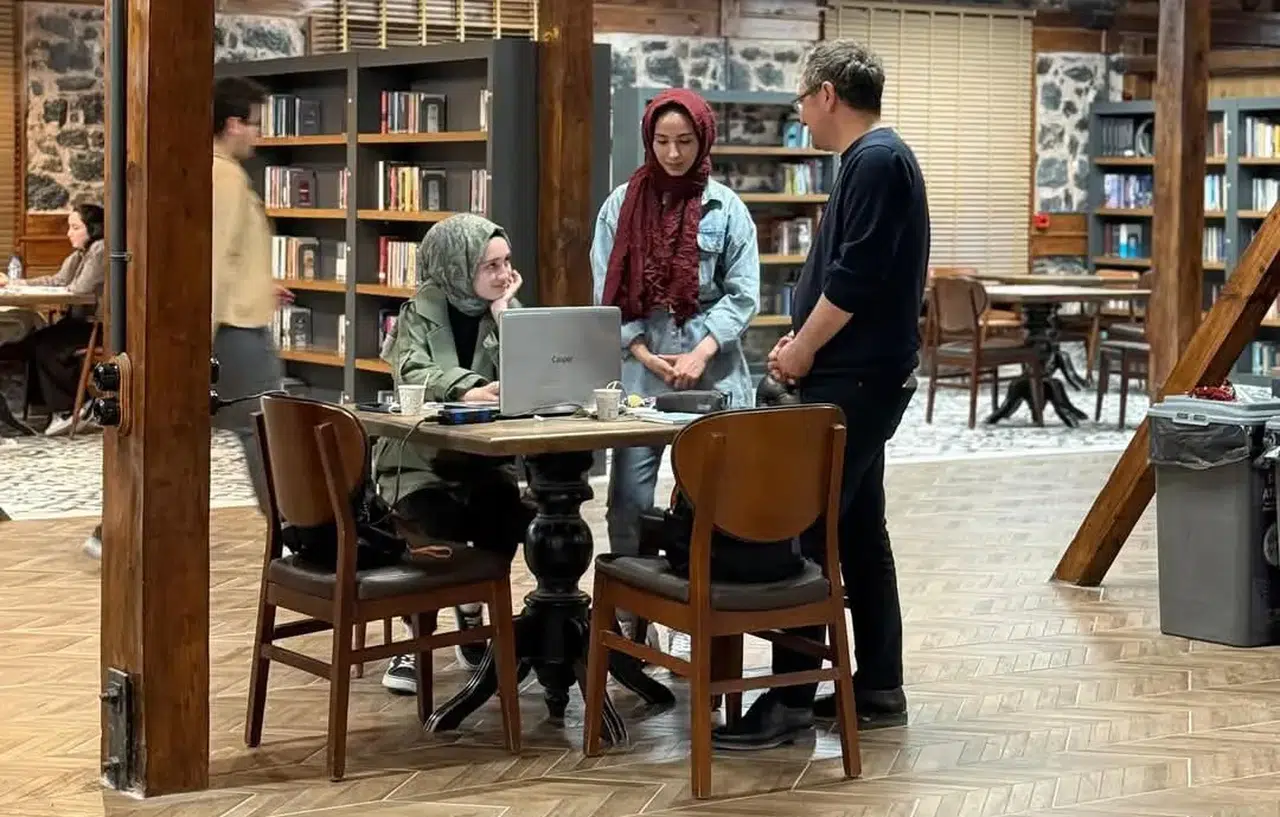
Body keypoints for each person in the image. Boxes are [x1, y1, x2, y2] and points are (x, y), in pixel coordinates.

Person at [711, 40, 929, 751]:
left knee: (803, 532)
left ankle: (789, 701)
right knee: (859, 532)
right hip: (854, 376)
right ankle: (880, 689)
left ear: (828, 94)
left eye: (803, 100)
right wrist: (801, 341)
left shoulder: (876, 160)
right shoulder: (873, 160)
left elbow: (856, 277)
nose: (801, 114)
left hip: (852, 381)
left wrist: (803, 347)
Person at [590, 87, 760, 638]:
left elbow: (743, 294)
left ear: (703, 140)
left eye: (685, 141)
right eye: (662, 141)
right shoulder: (619, 206)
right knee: (628, 499)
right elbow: (607, 291)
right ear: (648, 140)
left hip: (713, 371)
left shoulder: (727, 208)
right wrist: (643, 352)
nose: (672, 153)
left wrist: (701, 351)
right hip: (641, 371)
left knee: (712, 501)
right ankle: (633, 618)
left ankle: (699, 618)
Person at [373, 212, 530, 694]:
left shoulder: (507, 312)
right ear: (457, 267)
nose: (504, 275)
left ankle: (473, 610)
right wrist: (466, 389)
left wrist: (504, 317)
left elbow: (534, 373)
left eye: (507, 263)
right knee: (432, 518)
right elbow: (411, 372)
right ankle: (413, 639)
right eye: (491, 266)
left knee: (507, 512)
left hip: (482, 461)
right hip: (417, 462)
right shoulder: (417, 313)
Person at [212, 76, 291, 516]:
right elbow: (214, 257)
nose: (259, 134)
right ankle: (291, 527)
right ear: (233, 124)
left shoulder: (220, 173)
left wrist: (261, 285)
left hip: (235, 320)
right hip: (235, 330)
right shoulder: (223, 176)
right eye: (255, 123)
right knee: (264, 430)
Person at [0, 203, 106, 438]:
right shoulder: (80, 254)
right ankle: (49, 408)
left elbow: (80, 289)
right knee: (35, 340)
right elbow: (57, 281)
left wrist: (65, 288)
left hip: (97, 326)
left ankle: (73, 406)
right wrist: (15, 284)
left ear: (93, 229)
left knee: (46, 346)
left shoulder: (99, 250)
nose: (69, 233)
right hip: (78, 323)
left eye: (75, 228)